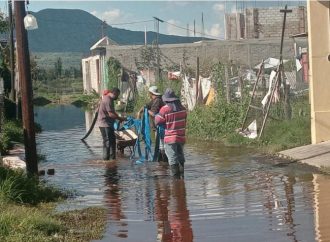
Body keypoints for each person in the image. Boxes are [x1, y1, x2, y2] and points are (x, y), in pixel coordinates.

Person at [155, 88, 187, 178]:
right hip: (181, 137)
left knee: (172, 157)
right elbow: (184, 120)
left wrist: (157, 116)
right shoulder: (183, 108)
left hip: (170, 138)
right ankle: (182, 177)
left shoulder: (165, 109)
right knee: (180, 155)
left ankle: (176, 179)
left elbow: (157, 121)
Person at [137, 86, 167, 162]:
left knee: (161, 145)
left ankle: (163, 163)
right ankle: (162, 164)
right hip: (159, 126)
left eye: (149, 93)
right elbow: (146, 106)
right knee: (160, 145)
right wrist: (139, 112)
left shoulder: (157, 100)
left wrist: (147, 111)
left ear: (151, 93)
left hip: (161, 127)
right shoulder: (155, 100)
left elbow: (153, 114)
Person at [97, 87, 126, 160]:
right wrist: (120, 118)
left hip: (108, 124)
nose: (117, 97)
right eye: (117, 95)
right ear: (115, 93)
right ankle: (106, 160)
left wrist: (119, 117)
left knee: (112, 141)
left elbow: (112, 112)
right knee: (107, 141)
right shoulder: (108, 100)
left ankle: (112, 159)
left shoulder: (110, 99)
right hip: (104, 124)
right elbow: (110, 114)